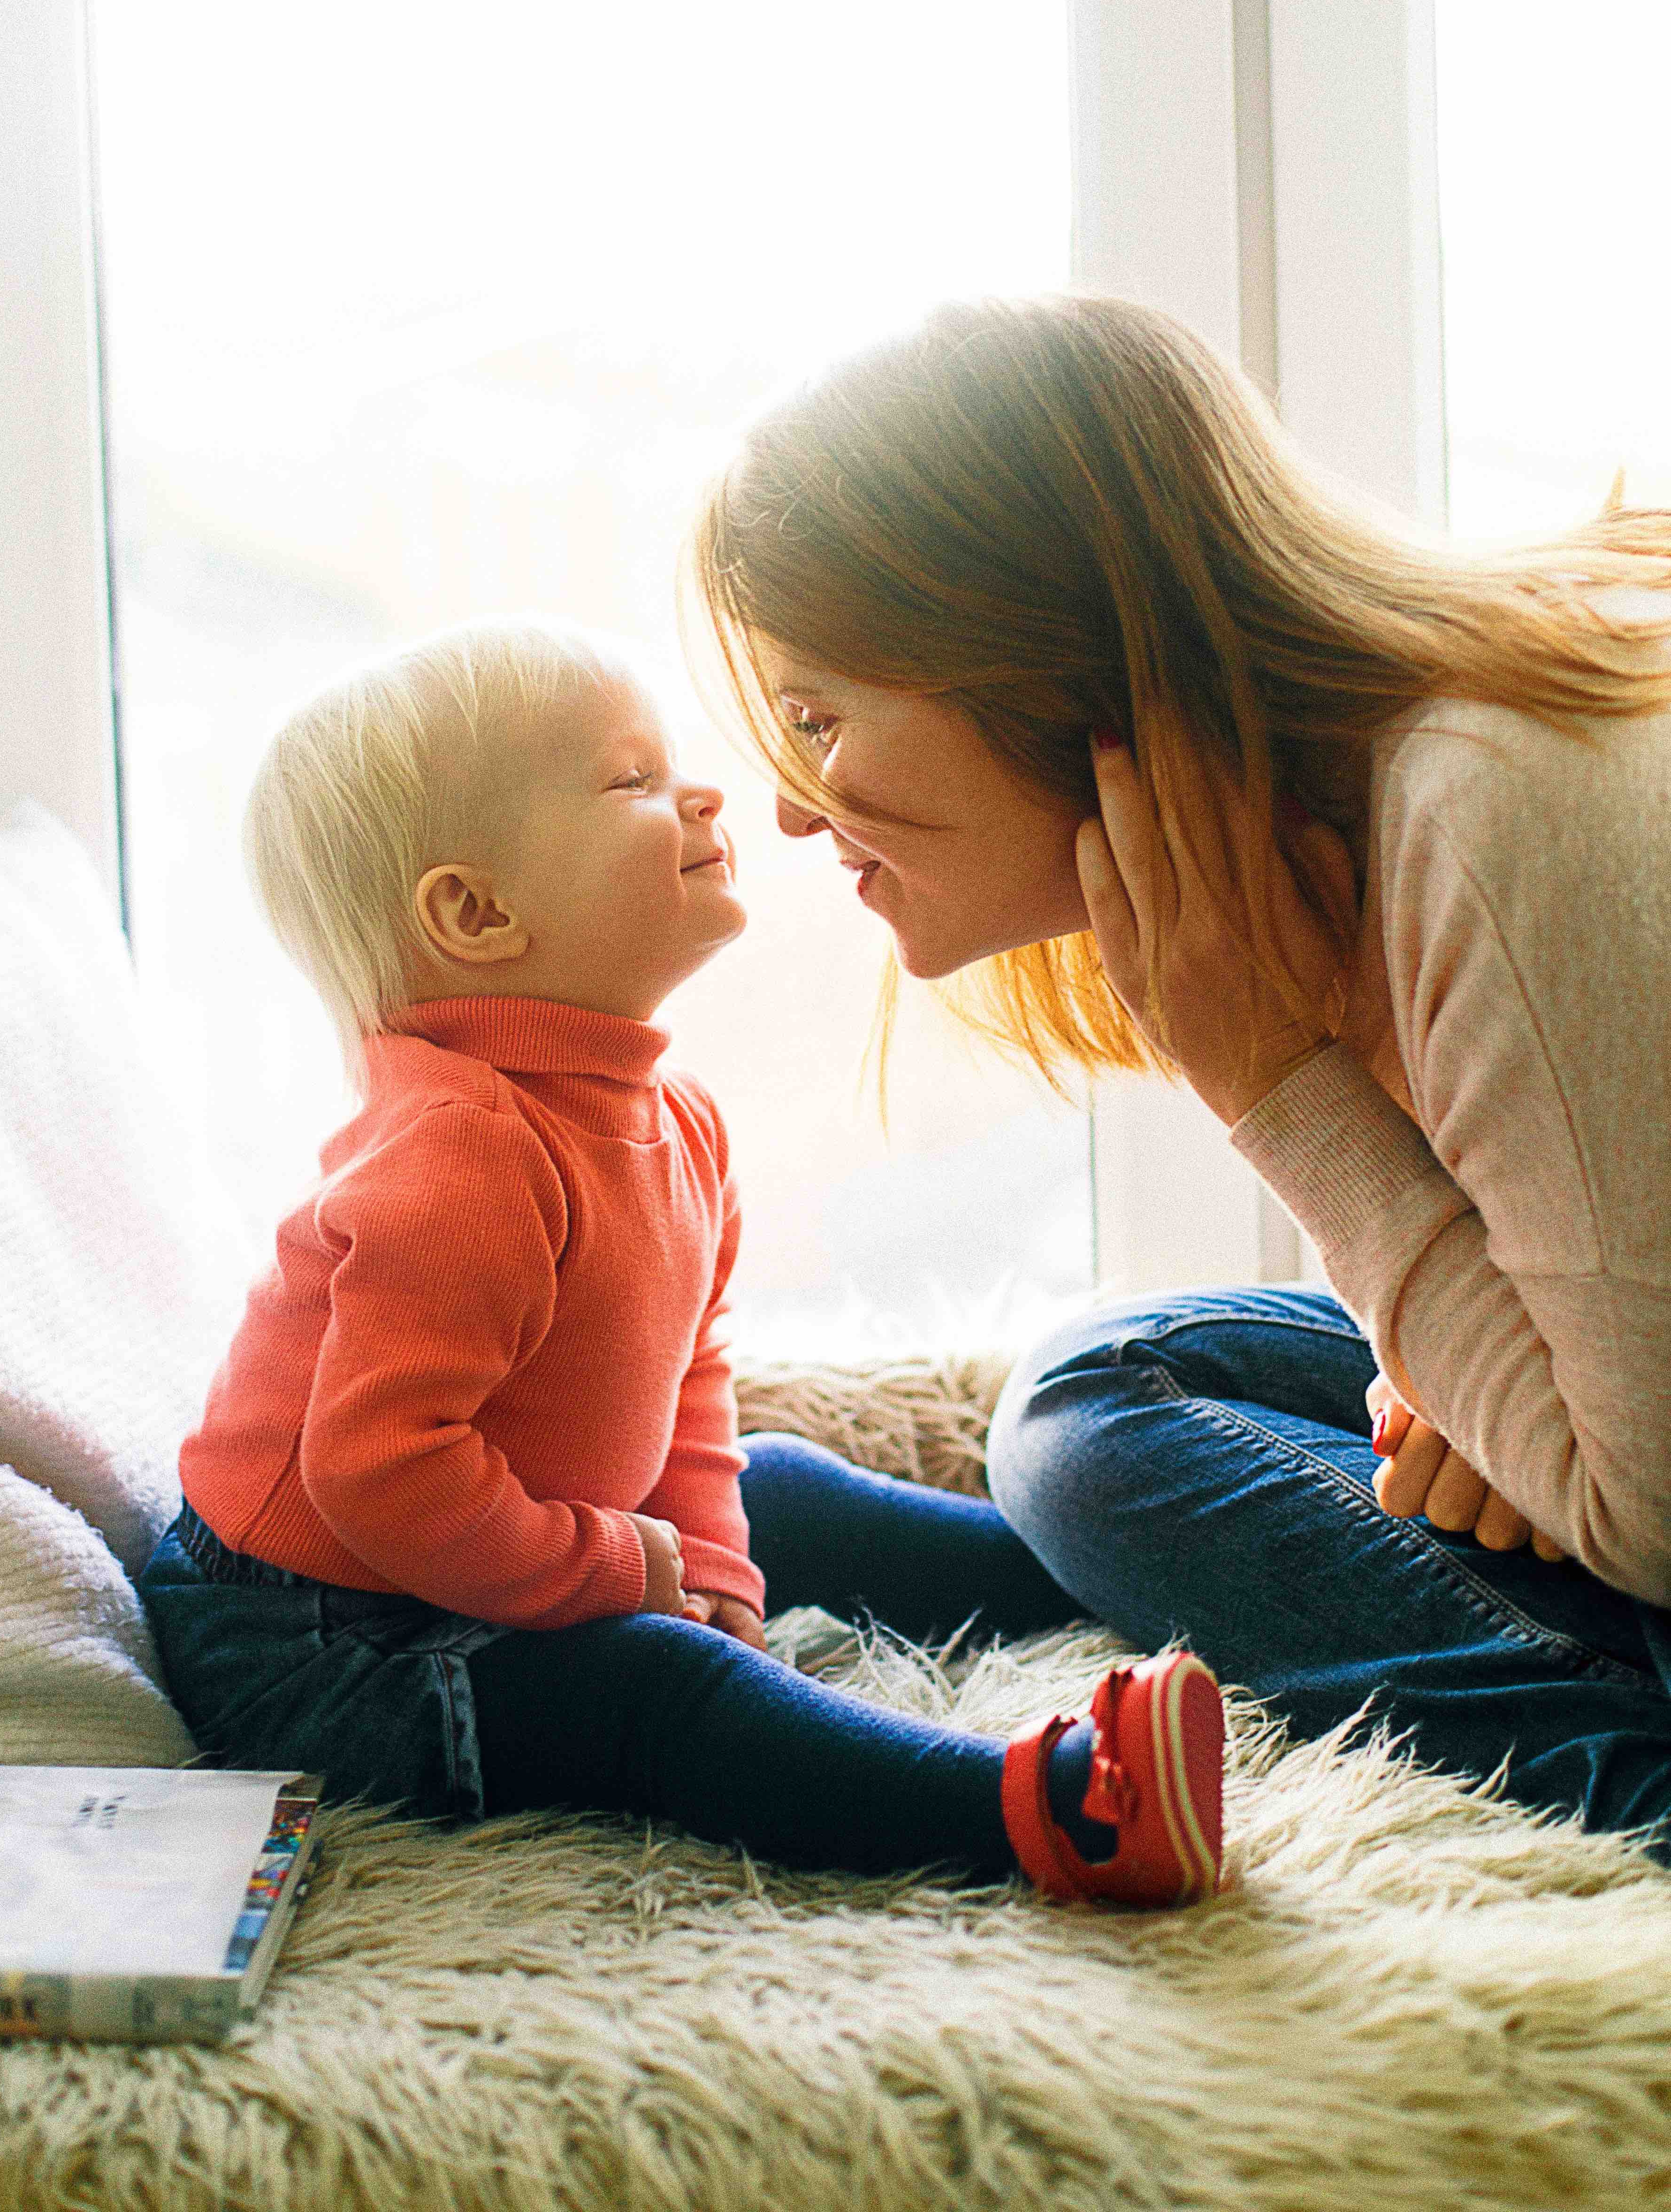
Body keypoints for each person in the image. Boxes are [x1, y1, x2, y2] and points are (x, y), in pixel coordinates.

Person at [686, 290, 1671, 1852]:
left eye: (820, 719)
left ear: (1028, 653)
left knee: (1091, 1426)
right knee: (1110, 1384)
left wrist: (1281, 1088)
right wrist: (1468, 1391)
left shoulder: (1484, 811)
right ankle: (1150, 1579)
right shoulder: (1381, 805)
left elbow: (1647, 1514)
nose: (800, 812)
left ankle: (1626, 1773)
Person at [137, 617, 1225, 1908]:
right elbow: (378, 1473)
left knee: (781, 1485)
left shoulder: (678, 1124)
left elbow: (686, 1384)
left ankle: (1147, 1580)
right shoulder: (459, 1156)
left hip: (477, 1542)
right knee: (658, 1691)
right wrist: (611, 1575)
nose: (705, 791)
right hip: (314, 1640)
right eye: (631, 781)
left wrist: (708, 1565)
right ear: (477, 914)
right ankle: (1054, 1808)